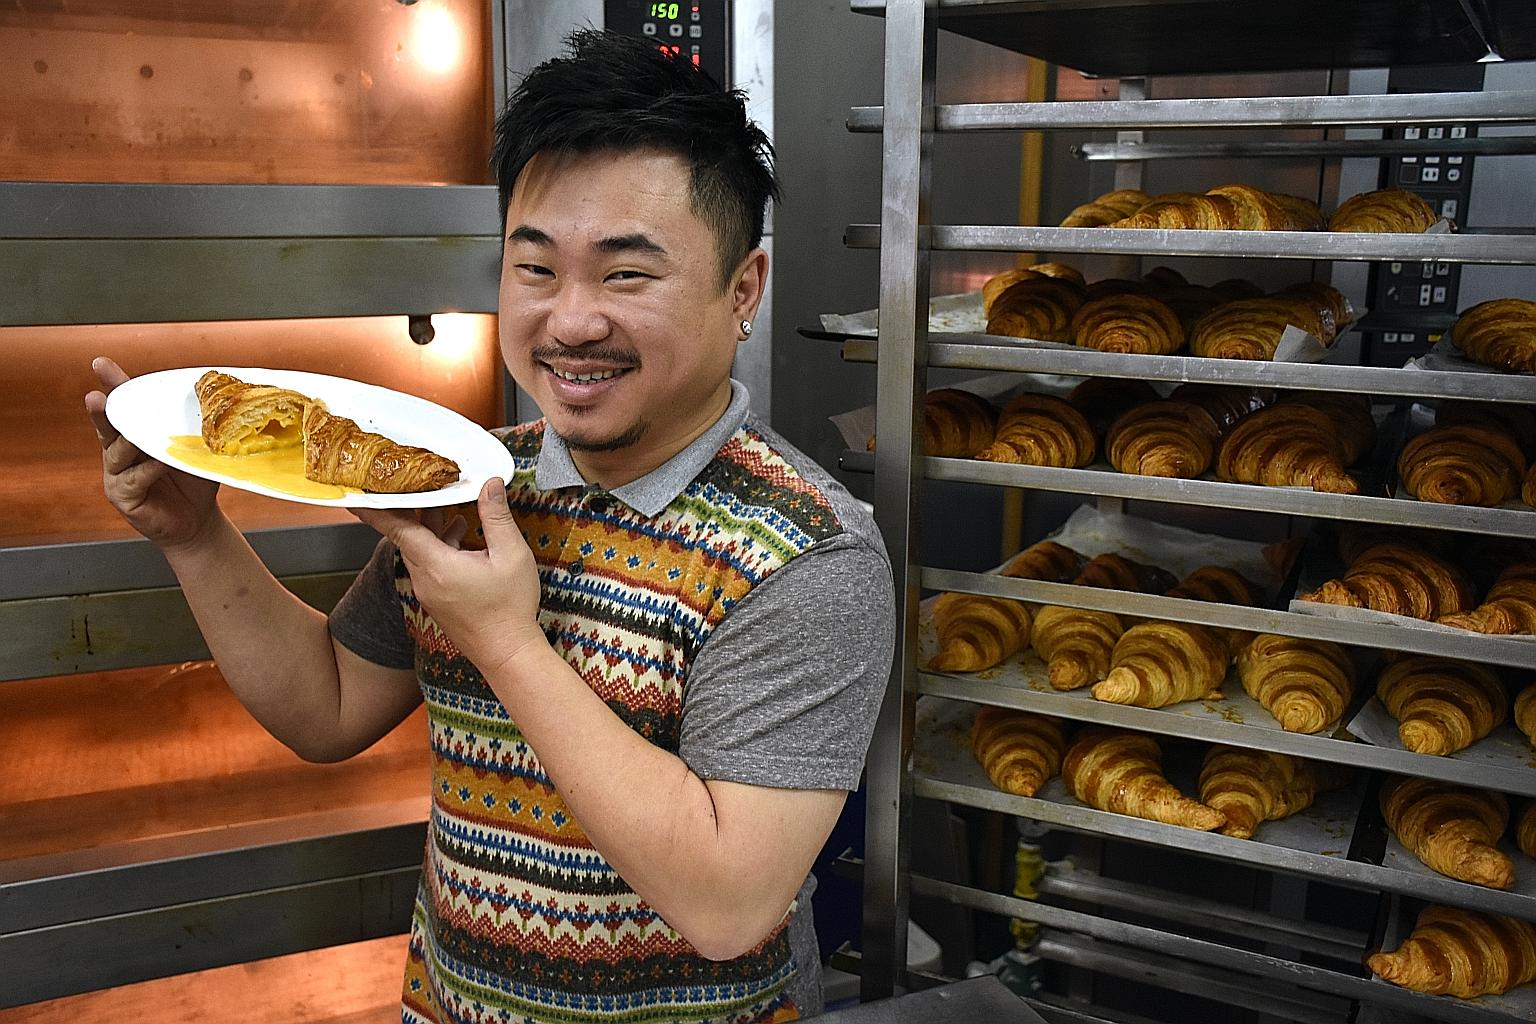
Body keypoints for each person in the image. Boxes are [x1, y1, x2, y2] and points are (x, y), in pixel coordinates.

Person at [85, 29, 894, 1024]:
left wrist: (506, 642)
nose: (571, 322)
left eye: (627, 275)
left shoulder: (808, 554)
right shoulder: (477, 478)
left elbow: (728, 904)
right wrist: (194, 535)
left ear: (744, 291)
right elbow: (327, 707)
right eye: (536, 267)